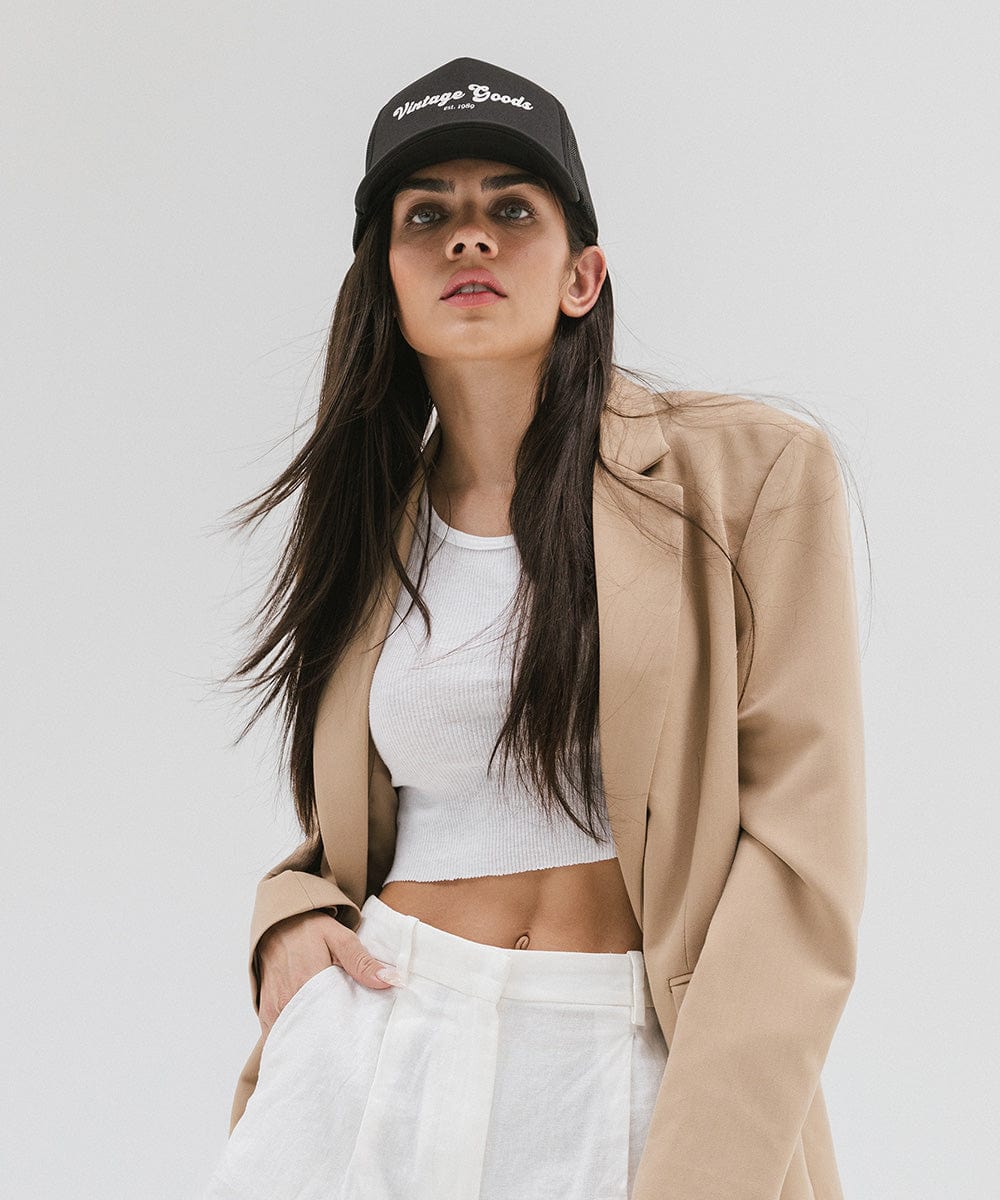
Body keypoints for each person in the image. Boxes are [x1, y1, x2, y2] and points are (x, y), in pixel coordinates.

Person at [203, 56, 867, 1200]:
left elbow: (801, 865)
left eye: (512, 209)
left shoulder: (745, 477)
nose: (469, 236)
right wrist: (289, 918)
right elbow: (359, 835)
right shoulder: (366, 528)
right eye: (427, 216)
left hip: (623, 1056)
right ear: (386, 285)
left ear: (580, 276)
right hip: (377, 1049)